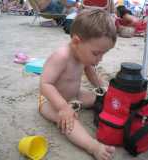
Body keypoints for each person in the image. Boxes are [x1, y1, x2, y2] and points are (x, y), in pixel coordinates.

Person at [39, 9, 117, 160]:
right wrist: (63, 107)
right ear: (76, 42)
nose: (99, 59)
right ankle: (92, 146)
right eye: (96, 53)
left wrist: (102, 87)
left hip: (74, 96)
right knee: (68, 120)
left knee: (100, 97)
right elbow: (45, 84)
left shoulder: (82, 53)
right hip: (51, 101)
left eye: (103, 54)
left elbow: (90, 72)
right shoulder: (61, 56)